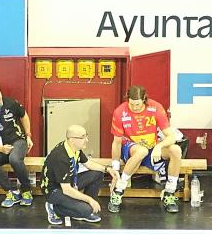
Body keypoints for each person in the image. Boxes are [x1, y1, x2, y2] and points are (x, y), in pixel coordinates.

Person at [108, 85, 183, 213]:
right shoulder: (120, 112)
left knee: (176, 150)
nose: (134, 107)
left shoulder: (155, 108)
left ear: (144, 99)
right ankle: (118, 191)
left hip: (151, 147)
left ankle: (169, 193)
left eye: (137, 104)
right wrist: (115, 168)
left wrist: (159, 146)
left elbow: (172, 136)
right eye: (131, 104)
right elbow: (116, 143)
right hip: (130, 147)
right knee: (141, 151)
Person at [42, 125, 120, 225]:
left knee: (98, 173)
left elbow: (89, 164)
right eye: (82, 137)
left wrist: (108, 169)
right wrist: (90, 200)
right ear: (72, 140)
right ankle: (54, 207)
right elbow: (67, 190)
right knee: (86, 210)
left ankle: (80, 207)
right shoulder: (60, 157)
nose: (86, 139)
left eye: (86, 136)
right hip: (54, 190)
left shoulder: (75, 148)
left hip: (68, 182)